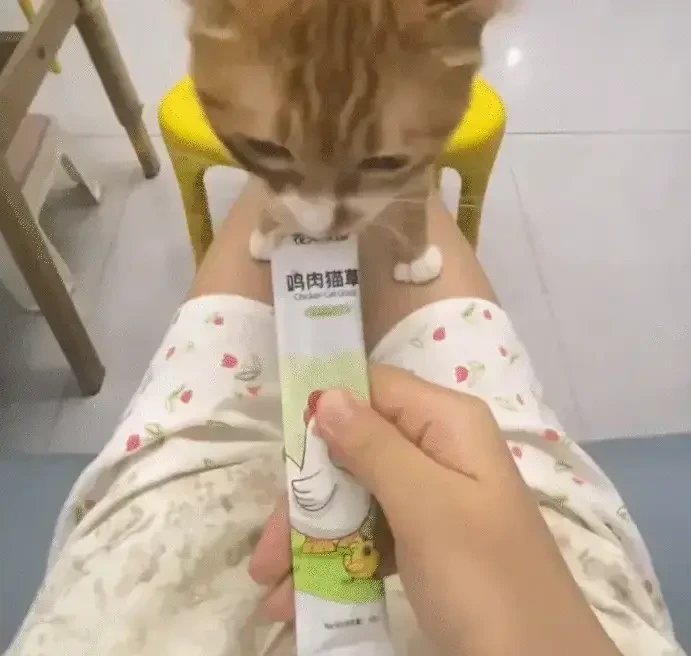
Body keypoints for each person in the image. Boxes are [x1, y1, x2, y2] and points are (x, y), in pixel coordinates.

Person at [4, 179, 683, 656]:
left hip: (161, 564)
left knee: (283, 198)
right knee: (473, 394)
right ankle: (375, 152)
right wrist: (529, 633)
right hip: (535, 574)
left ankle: (301, 154)